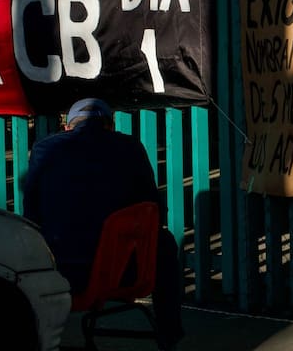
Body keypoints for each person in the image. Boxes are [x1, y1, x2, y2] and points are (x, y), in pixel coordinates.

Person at [23, 98, 184, 351]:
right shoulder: (130, 147)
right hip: (121, 271)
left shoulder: (45, 149)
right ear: (110, 125)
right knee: (163, 242)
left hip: (60, 272)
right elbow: (155, 211)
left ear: (68, 126)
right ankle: (170, 331)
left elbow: (31, 216)